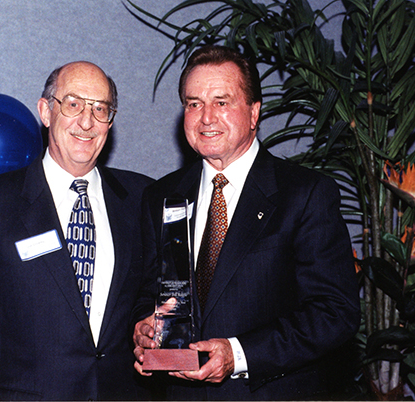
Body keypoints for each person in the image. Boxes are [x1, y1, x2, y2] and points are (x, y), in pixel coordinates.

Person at [132, 45, 360, 400]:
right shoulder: (161, 197)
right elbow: (147, 292)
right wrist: (144, 328)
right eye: (194, 104)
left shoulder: (305, 194)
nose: (206, 117)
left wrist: (238, 354)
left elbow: (335, 313)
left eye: (222, 102)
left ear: (254, 112)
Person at [0, 61, 153, 400]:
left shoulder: (142, 199)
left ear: (110, 122)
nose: (87, 121)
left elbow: (151, 296)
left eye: (100, 109)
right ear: (45, 111)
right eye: (73, 104)